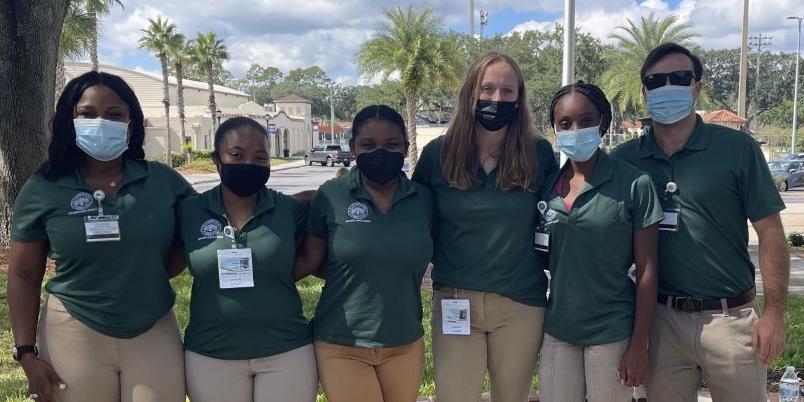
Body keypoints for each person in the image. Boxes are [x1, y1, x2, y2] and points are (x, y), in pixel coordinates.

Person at [611, 42, 790, 401]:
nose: (667, 87)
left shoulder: (738, 150)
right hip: (661, 321)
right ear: (644, 90)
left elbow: (770, 233)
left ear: (697, 86)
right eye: (656, 80)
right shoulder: (626, 159)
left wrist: (774, 314)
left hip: (731, 320)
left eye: (679, 78)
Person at [7, 71, 193, 402]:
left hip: (153, 327)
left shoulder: (163, 181)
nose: (101, 121)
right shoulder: (44, 188)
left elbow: (209, 221)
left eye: (114, 115)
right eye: (88, 114)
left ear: (131, 124)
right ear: (69, 120)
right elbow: (23, 274)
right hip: (74, 331)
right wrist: (26, 352)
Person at [411, 51, 558, 402]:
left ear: (519, 99)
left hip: (520, 304)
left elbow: (555, 222)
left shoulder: (538, 154)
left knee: (513, 396)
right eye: (487, 89)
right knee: (454, 396)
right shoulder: (438, 155)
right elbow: (412, 221)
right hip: (455, 300)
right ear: (470, 94)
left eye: (507, 91)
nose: (496, 98)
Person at [295, 105, 433, 402]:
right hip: (342, 342)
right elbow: (311, 261)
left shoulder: (424, 200)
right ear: (353, 147)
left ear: (406, 148)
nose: (380, 152)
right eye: (368, 145)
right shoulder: (331, 195)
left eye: (392, 144)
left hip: (405, 340)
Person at [536, 81, 663, 401]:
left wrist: (638, 345)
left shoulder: (634, 184)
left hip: (612, 333)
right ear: (555, 129)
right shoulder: (548, 186)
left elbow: (647, 270)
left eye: (586, 120)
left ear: (604, 122)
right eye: (565, 124)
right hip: (558, 330)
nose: (575, 129)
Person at [176, 116, 317, 402]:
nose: (249, 164)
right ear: (217, 159)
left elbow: (318, 239)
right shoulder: (188, 211)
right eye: (237, 155)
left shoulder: (289, 210)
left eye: (260, 157)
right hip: (210, 353)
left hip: (286, 351)